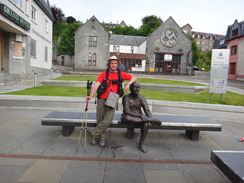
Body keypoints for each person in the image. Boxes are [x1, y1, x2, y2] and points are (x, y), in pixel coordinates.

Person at [86, 56, 136, 147]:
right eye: (112, 63)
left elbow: (134, 78)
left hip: (112, 99)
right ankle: (101, 138)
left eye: (115, 63)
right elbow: (96, 85)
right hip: (101, 99)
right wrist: (90, 96)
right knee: (100, 120)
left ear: (118, 64)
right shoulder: (103, 74)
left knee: (108, 120)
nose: (113, 65)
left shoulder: (121, 74)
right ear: (109, 64)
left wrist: (128, 84)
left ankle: (93, 133)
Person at [121, 81, 161, 153]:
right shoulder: (126, 97)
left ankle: (141, 143)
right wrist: (149, 119)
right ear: (130, 88)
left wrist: (148, 116)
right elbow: (127, 111)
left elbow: (147, 111)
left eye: (138, 87)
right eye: (135, 87)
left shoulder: (141, 98)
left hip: (139, 119)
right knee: (127, 117)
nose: (137, 89)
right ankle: (148, 120)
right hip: (129, 117)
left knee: (146, 123)